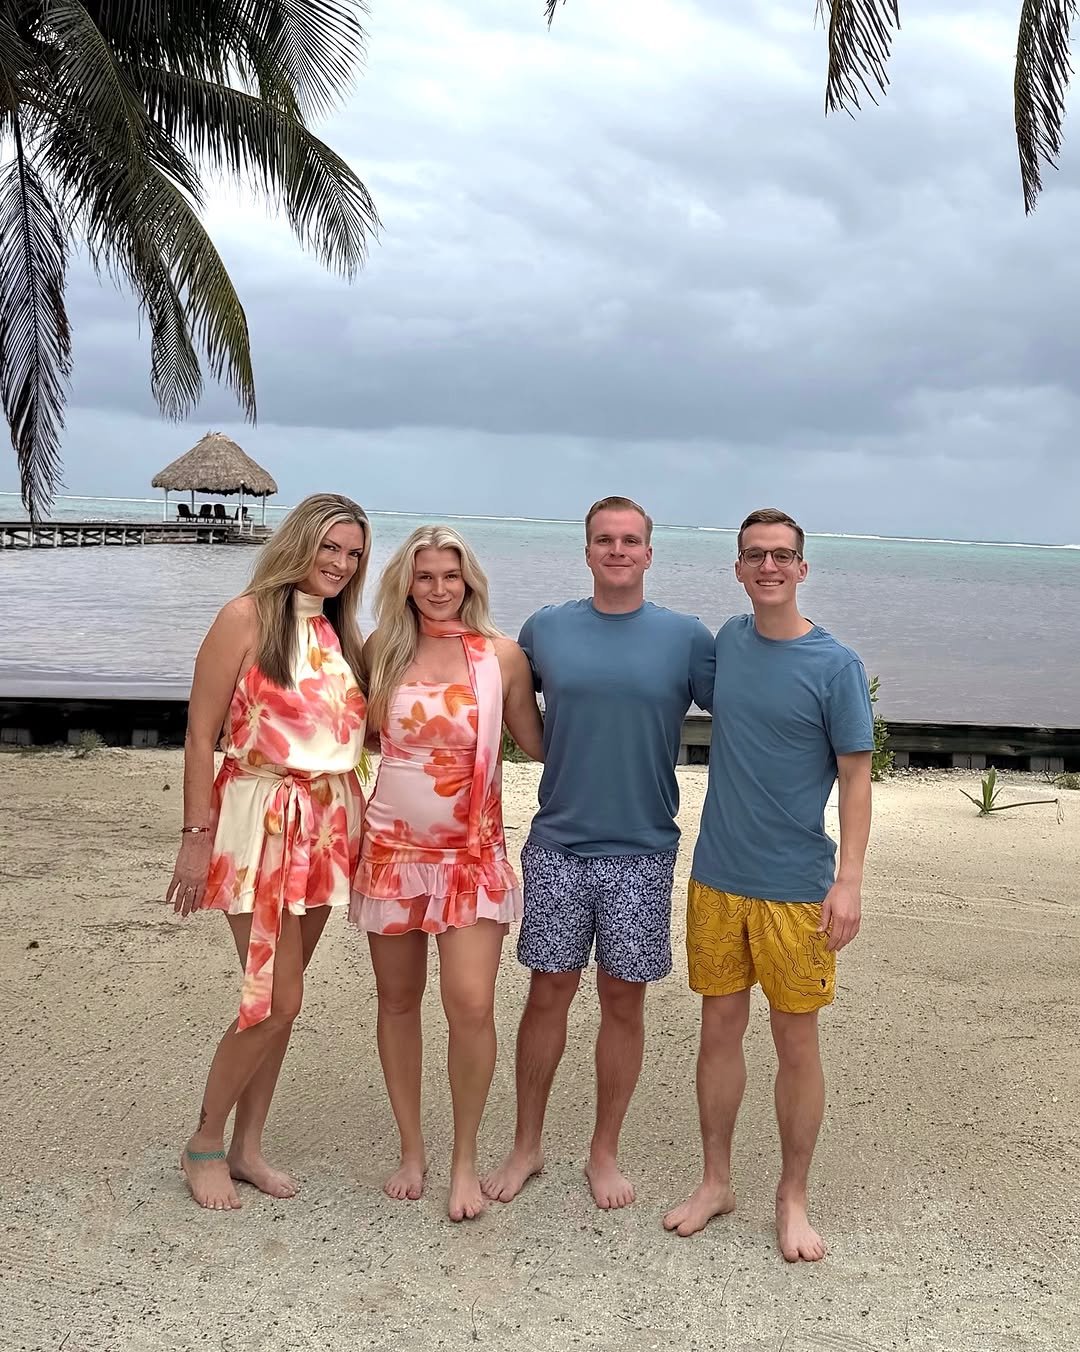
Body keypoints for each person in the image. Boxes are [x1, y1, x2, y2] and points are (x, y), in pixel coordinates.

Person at [482, 495, 715, 1211]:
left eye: (631, 541)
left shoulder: (686, 639)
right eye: (604, 540)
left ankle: (603, 1151)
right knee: (546, 992)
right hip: (558, 843)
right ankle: (527, 1145)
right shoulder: (546, 630)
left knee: (623, 1000)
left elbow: (748, 713)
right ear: (586, 551)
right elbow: (501, 704)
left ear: (649, 553)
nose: (618, 551)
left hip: (643, 849)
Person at [663, 507, 874, 1262]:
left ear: (802, 568)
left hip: (796, 888)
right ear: (740, 568)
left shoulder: (836, 666)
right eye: (756, 555)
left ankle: (793, 1195)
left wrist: (848, 880)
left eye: (783, 555)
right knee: (718, 1031)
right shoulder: (731, 642)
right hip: (718, 876)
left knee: (796, 1041)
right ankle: (716, 1180)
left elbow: (856, 778)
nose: (769, 566)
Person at [167, 493, 371, 1211]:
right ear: (299, 543)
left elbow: (352, 737)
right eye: (330, 548)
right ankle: (204, 1143)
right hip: (256, 822)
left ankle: (249, 1144)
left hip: (327, 824)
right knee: (273, 999)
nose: (341, 565)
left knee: (284, 1005)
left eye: (352, 554)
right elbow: (199, 736)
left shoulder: (341, 635)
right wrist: (195, 839)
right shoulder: (245, 617)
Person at [350, 525, 543, 1222]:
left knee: (470, 1004)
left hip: (472, 858)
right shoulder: (382, 651)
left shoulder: (499, 657)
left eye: (450, 577)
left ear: (470, 584)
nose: (437, 588)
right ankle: (412, 1148)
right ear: (406, 581)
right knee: (397, 1002)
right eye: (424, 576)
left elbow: (537, 740)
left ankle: (464, 1158)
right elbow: (362, 738)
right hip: (392, 856)